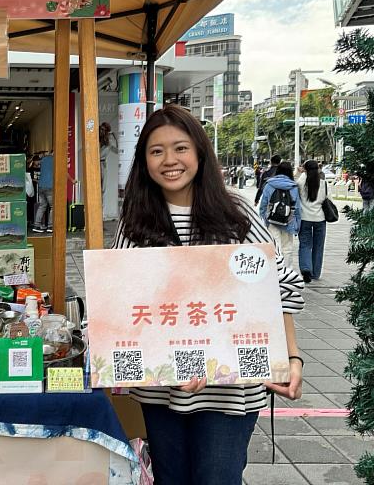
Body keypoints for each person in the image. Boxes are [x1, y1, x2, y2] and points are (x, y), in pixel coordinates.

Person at [113, 105, 304, 484]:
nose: (170, 160)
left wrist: (292, 357)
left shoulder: (237, 213)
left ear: (199, 151)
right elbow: (121, 303)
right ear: (144, 161)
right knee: (171, 479)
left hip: (230, 394)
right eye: (156, 151)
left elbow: (279, 288)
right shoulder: (135, 222)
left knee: (217, 477)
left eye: (180, 148)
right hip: (163, 392)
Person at [258, 162, 301, 268]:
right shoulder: (293, 186)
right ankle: (287, 270)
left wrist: (265, 219)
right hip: (289, 221)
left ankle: (275, 271)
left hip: (272, 220)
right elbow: (298, 208)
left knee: (274, 247)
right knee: (287, 248)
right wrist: (297, 225)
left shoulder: (269, 184)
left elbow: (263, 205)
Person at [296, 160, 329, 283]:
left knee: (305, 245)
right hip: (320, 219)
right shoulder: (324, 184)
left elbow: (296, 183)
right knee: (318, 246)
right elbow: (328, 199)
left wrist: (301, 172)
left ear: (305, 169)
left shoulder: (301, 183)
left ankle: (306, 269)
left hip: (304, 218)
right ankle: (315, 273)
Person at [33, 153, 54, 233]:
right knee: (53, 207)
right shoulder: (55, 160)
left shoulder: (43, 160)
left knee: (42, 206)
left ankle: (36, 226)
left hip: (41, 186)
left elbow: (37, 164)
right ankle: (50, 226)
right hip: (49, 186)